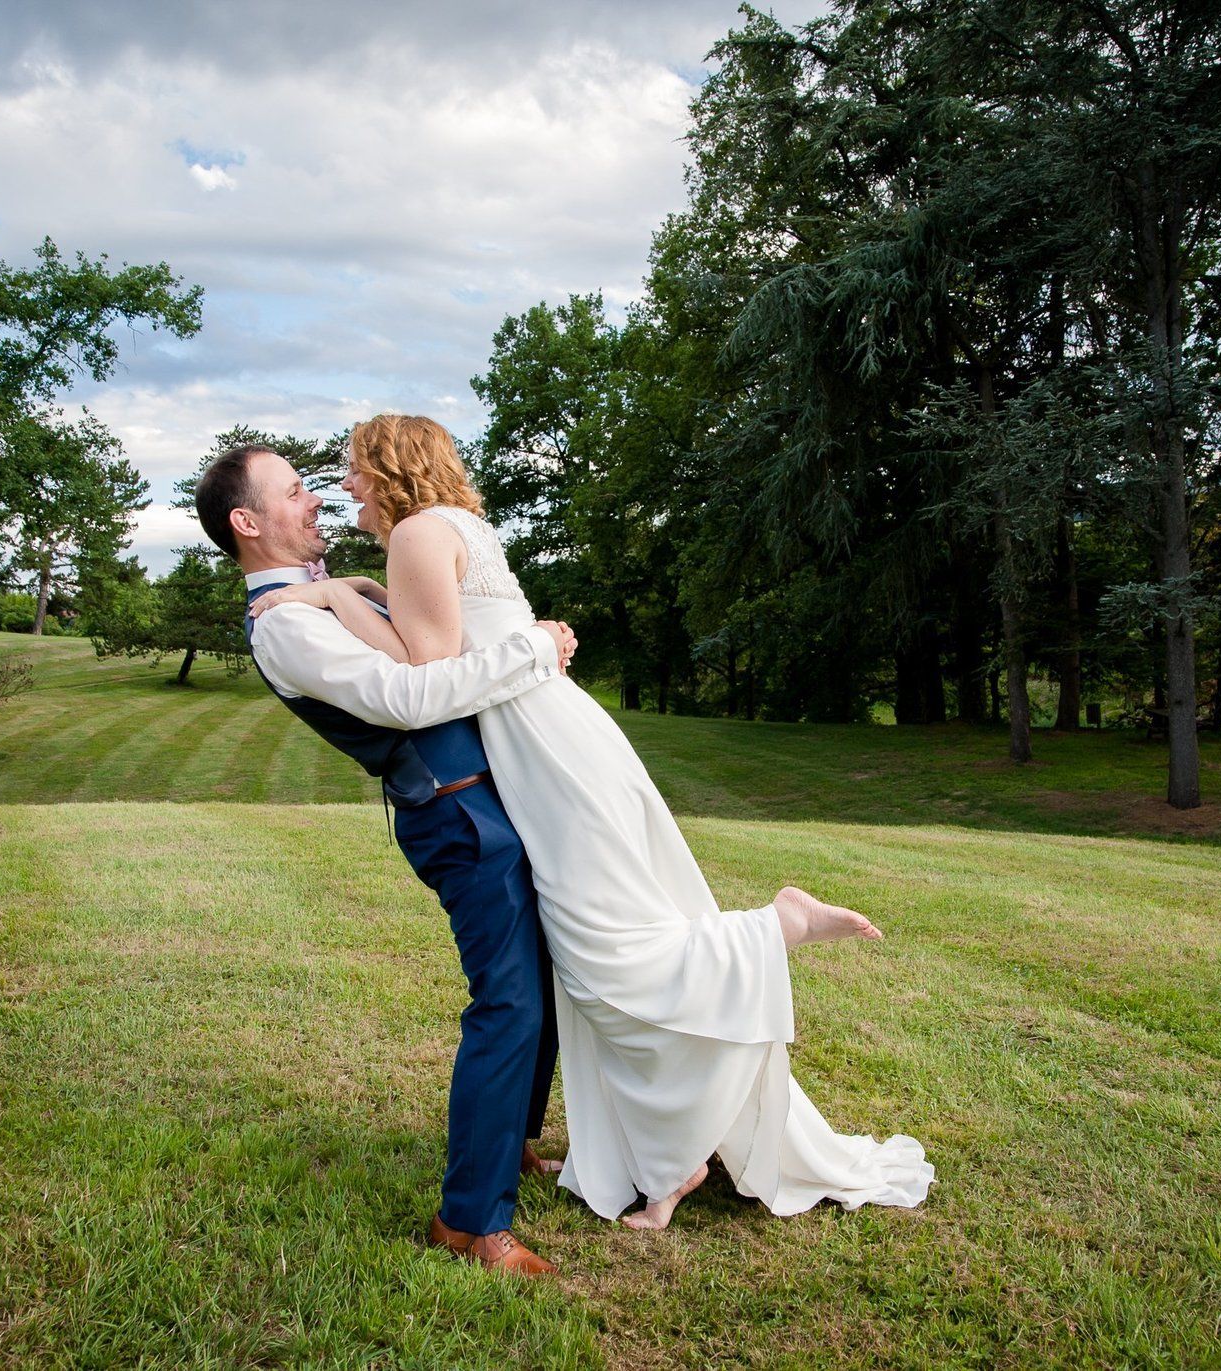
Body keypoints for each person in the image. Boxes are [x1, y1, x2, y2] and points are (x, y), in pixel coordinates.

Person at [251, 415, 933, 1231]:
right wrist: (341, 592)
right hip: (556, 739)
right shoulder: (449, 528)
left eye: (351, 470)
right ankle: (673, 1153)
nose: (340, 489)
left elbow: (427, 672)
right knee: (599, 943)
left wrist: (346, 594)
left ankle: (768, 934)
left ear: (387, 466)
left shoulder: (415, 539)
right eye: (305, 485)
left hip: (540, 749)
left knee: (604, 953)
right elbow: (422, 656)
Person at [194, 444, 579, 1277]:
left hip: (492, 792)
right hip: (454, 810)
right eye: (295, 493)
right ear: (246, 522)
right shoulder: (288, 625)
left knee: (541, 979)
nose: (317, 502)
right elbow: (409, 698)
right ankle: (470, 1223)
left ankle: (505, 1145)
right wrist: (532, 652)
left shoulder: (326, 593)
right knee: (507, 998)